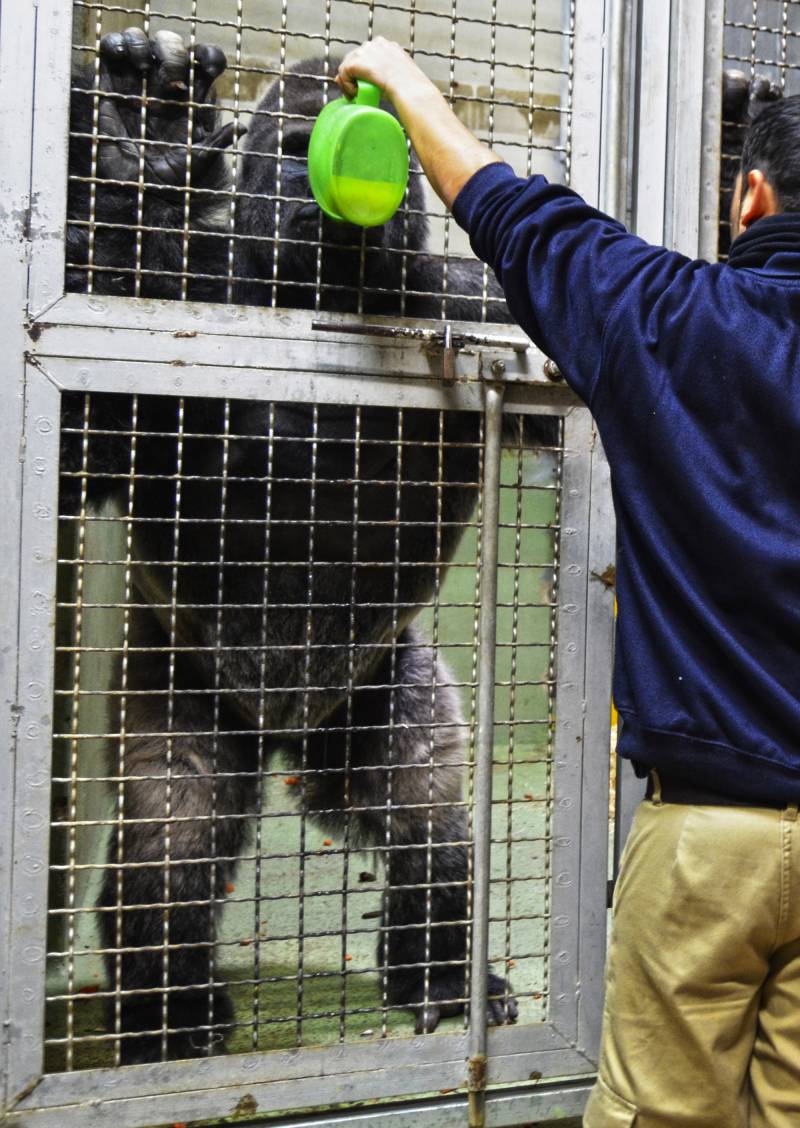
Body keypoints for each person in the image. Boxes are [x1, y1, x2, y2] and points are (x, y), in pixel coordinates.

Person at [335, 39, 800, 1128]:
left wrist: (405, 86)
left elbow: (512, 214)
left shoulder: (669, 319)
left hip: (704, 840)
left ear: (747, 194)